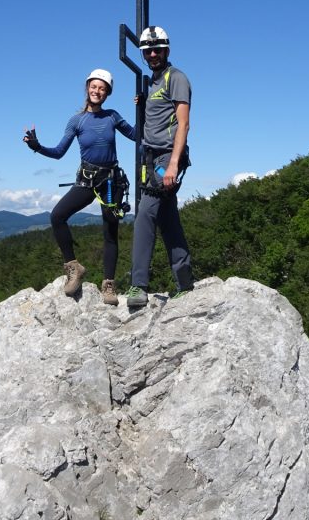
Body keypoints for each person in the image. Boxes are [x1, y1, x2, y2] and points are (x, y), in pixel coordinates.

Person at [23, 69, 135, 305]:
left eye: (102, 88)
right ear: (87, 89)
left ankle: (109, 285)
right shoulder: (76, 120)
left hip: (110, 181)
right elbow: (58, 152)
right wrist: (36, 146)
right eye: (94, 87)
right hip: (87, 179)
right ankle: (74, 268)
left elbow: (136, 135)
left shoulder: (112, 116)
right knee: (57, 216)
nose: (97, 91)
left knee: (110, 233)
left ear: (107, 94)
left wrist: (142, 107)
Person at [125, 26, 195, 308]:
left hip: (167, 157)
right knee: (168, 220)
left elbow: (184, 123)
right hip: (151, 157)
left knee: (144, 214)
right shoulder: (152, 83)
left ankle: (138, 286)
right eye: (148, 51)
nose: (153, 54)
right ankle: (185, 281)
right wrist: (142, 103)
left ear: (166, 50)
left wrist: (173, 165)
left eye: (157, 49)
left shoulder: (176, 78)